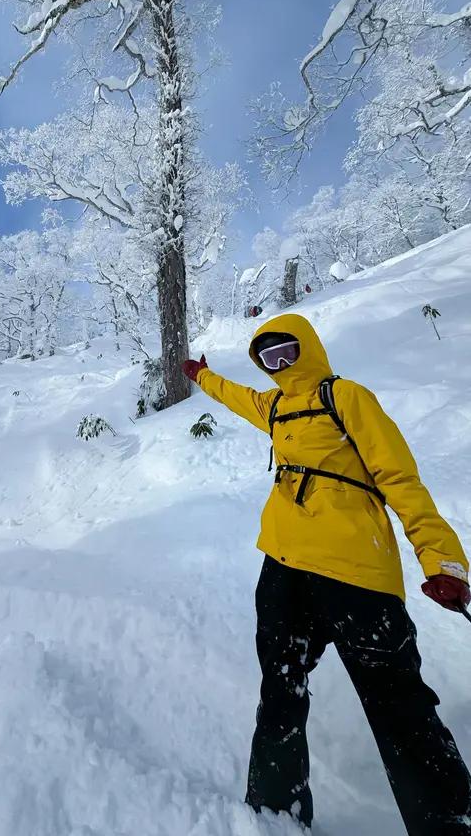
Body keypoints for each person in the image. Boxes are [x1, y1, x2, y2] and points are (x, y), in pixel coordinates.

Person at [182, 313, 471, 835]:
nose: (277, 365)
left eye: (285, 352)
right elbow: (238, 397)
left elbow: (401, 479)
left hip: (355, 569)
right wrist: (202, 377)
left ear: (307, 347)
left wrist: (442, 559)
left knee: (397, 701)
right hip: (283, 565)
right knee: (281, 685)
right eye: (266, 358)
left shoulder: (346, 397)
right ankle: (275, 812)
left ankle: (450, 821)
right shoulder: (274, 407)